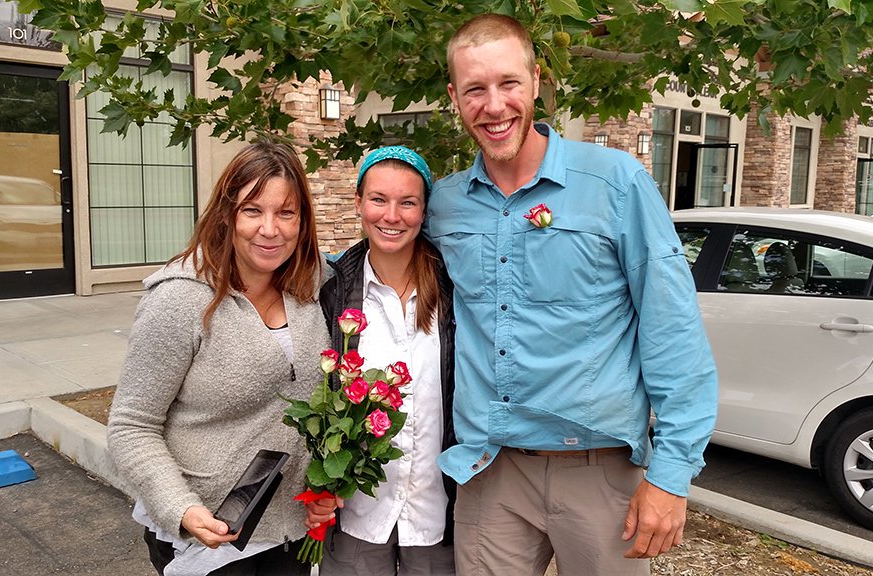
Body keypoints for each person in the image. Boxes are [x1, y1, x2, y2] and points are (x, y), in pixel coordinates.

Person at [424, 14, 719, 576]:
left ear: (536, 81)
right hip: (491, 471)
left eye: (509, 84)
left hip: (600, 473)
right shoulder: (445, 205)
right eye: (475, 90)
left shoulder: (616, 183)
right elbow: (381, 267)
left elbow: (672, 328)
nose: (494, 106)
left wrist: (672, 474)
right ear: (454, 97)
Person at [107, 141, 329, 576]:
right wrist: (181, 508)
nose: (270, 229)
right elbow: (131, 425)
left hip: (289, 531)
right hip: (209, 536)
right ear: (227, 215)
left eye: (286, 213)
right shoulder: (181, 298)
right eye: (252, 211)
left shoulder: (311, 287)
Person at [309, 146, 457, 576]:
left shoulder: (455, 288)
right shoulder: (330, 290)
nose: (392, 215)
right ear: (358, 203)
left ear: (424, 210)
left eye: (407, 202)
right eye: (378, 199)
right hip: (357, 511)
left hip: (436, 510)